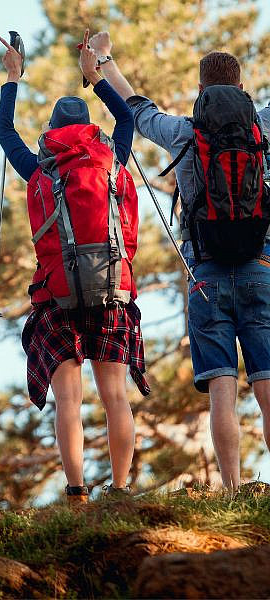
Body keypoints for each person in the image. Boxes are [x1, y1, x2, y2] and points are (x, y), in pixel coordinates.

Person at [91, 31, 270, 491]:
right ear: (243, 88)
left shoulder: (185, 132)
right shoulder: (262, 127)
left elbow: (136, 109)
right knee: (268, 388)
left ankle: (231, 489)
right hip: (262, 268)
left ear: (199, 90)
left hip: (204, 275)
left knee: (222, 388)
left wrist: (105, 60)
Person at [0, 30, 149, 503]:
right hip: (112, 290)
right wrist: (95, 76)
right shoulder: (112, 158)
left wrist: (12, 78)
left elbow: (5, 132)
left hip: (57, 296)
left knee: (69, 401)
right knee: (115, 396)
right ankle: (120, 488)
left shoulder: (39, 169)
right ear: (89, 126)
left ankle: (77, 491)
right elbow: (126, 117)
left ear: (51, 129)